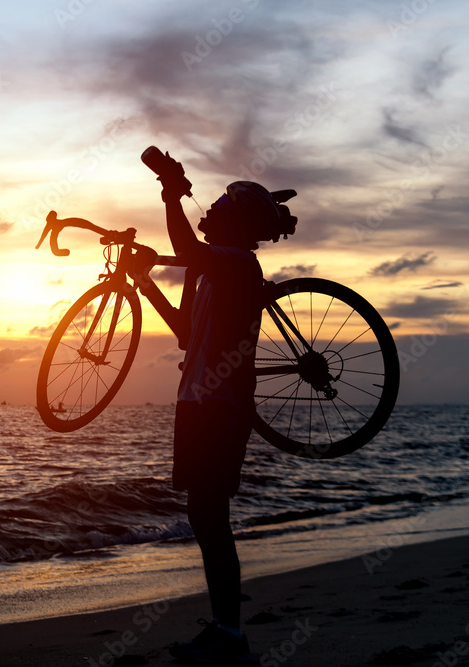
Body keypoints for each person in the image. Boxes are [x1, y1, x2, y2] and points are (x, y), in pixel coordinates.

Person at [153, 154, 287, 665]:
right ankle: (225, 628)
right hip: (196, 401)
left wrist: (171, 193)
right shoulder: (213, 269)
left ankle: (230, 634)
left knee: (210, 516)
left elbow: (186, 246)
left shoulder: (235, 261)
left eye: (221, 205)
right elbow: (185, 333)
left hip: (219, 403)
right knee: (204, 515)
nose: (209, 207)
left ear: (237, 222)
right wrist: (145, 281)